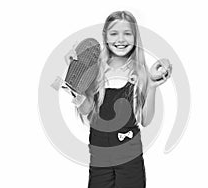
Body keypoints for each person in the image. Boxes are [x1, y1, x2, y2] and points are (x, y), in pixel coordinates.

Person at [65, 10, 171, 188]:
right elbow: (86, 110)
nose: (120, 39)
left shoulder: (140, 72)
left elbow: (145, 120)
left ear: (135, 37)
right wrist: (76, 75)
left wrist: (152, 86)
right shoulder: (96, 69)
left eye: (127, 33)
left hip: (129, 155)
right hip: (100, 157)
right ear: (105, 36)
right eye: (114, 33)